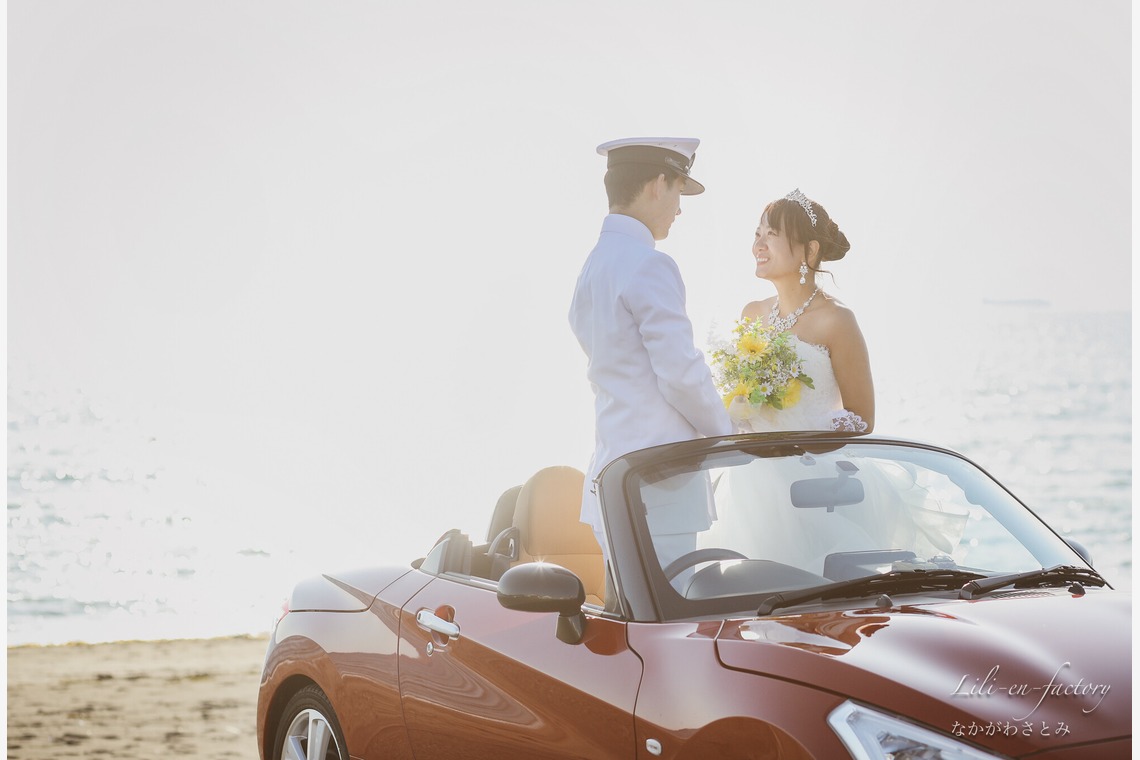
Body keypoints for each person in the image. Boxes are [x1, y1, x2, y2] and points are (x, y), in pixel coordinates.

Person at [568, 137, 732, 574]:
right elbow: (680, 373)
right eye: (679, 191)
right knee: (673, 631)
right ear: (658, 184)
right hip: (660, 485)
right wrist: (729, 436)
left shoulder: (593, 264)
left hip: (613, 476)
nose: (679, 209)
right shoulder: (649, 263)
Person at [730, 189, 874, 433]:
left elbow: (862, 420)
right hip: (755, 465)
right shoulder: (752, 314)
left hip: (813, 467)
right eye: (758, 234)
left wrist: (799, 444)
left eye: (771, 234)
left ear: (810, 250)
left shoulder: (837, 320)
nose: (758, 245)